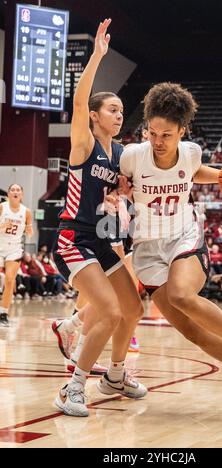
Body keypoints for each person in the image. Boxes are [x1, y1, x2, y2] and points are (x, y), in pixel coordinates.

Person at [117, 81, 222, 416]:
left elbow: (194, 173)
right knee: (192, 332)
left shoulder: (191, 152)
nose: (158, 141)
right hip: (148, 249)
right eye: (152, 132)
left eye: (166, 134)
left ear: (183, 130)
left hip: (184, 235)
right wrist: (118, 192)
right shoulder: (133, 157)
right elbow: (116, 188)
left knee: (182, 295)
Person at [51, 19, 146, 417]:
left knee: (134, 309)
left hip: (101, 238)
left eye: (122, 110)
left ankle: (117, 374)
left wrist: (119, 196)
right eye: (112, 109)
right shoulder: (84, 144)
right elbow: (77, 102)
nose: (119, 114)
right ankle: (72, 388)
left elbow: (111, 197)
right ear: (94, 116)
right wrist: (97, 57)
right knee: (108, 311)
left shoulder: (120, 153)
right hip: (74, 239)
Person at [0, 184, 33, 326]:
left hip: (14, 249)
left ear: (22, 195)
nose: (15, 192)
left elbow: (30, 234)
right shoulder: (2, 207)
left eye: (18, 190)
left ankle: (3, 314)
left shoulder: (26, 212)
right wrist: (2, 226)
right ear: (8, 194)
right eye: (12, 190)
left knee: (9, 280)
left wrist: (29, 229)